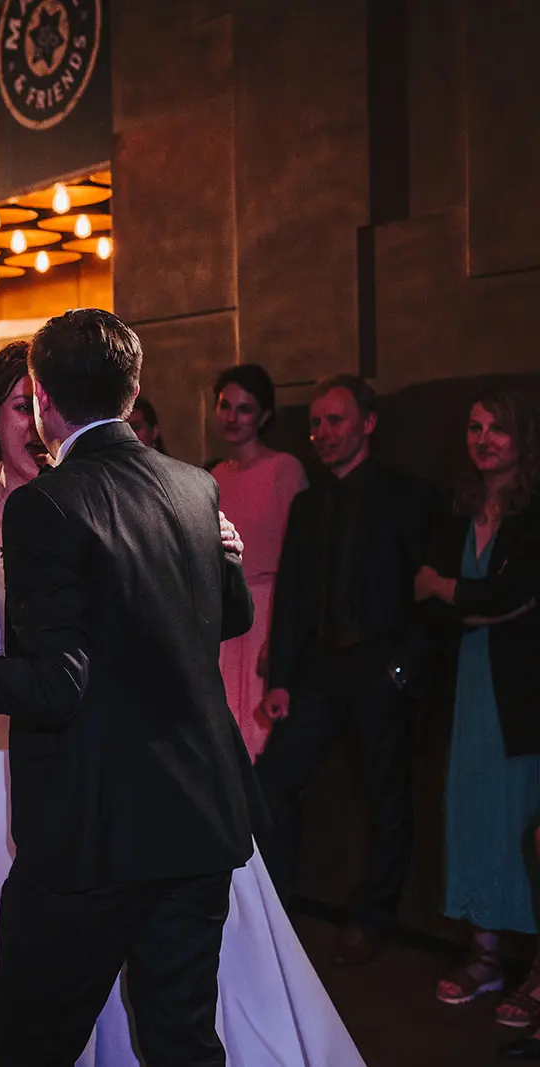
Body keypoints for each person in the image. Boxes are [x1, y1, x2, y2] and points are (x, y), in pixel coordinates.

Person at [0, 344, 363, 1067]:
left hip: (135, 791)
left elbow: (205, 622)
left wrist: (211, 560)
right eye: (18, 406)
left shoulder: (122, 498)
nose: (34, 421)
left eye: (40, 403)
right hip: (19, 773)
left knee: (133, 1018)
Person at [256, 375, 435, 967]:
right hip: (317, 669)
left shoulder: (407, 496)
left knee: (388, 795)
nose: (322, 434)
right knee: (273, 782)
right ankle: (277, 909)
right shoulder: (309, 503)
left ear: (368, 423)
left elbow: (426, 595)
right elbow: (293, 596)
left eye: (335, 421)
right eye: (315, 423)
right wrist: (280, 676)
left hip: (379, 664)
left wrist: (403, 666)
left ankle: (373, 918)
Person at [411, 389, 540, 1029]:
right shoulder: (457, 508)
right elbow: (425, 592)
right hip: (465, 684)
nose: (483, 439)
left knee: (524, 819)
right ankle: (485, 955)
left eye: (498, 429)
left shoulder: (534, 513)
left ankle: (538, 971)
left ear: (524, 439)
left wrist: (460, 593)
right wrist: (477, 600)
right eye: (475, 427)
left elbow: (519, 592)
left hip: (523, 690)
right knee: (474, 812)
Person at [210, 366, 308, 759]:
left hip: (269, 609)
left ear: (264, 416)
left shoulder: (285, 469)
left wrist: (280, 637)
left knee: (260, 737)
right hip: (225, 611)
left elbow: (298, 557)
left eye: (245, 409)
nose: (232, 417)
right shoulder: (213, 474)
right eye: (225, 406)